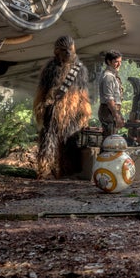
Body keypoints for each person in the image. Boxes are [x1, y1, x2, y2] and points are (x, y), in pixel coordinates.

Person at [33, 36, 92, 179]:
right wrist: (41, 107)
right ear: (57, 52)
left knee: (70, 145)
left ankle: (67, 172)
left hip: (72, 113)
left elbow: (83, 93)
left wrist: (84, 112)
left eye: (70, 50)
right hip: (52, 111)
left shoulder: (80, 70)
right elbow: (42, 90)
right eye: (64, 51)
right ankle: (45, 170)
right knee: (48, 143)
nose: (68, 53)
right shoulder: (50, 68)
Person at [98, 50, 125, 136]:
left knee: (111, 138)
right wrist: (117, 116)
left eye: (120, 62)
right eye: (116, 62)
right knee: (110, 140)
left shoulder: (112, 75)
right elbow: (109, 99)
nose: (119, 64)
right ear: (109, 62)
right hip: (108, 110)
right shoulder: (108, 76)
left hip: (111, 110)